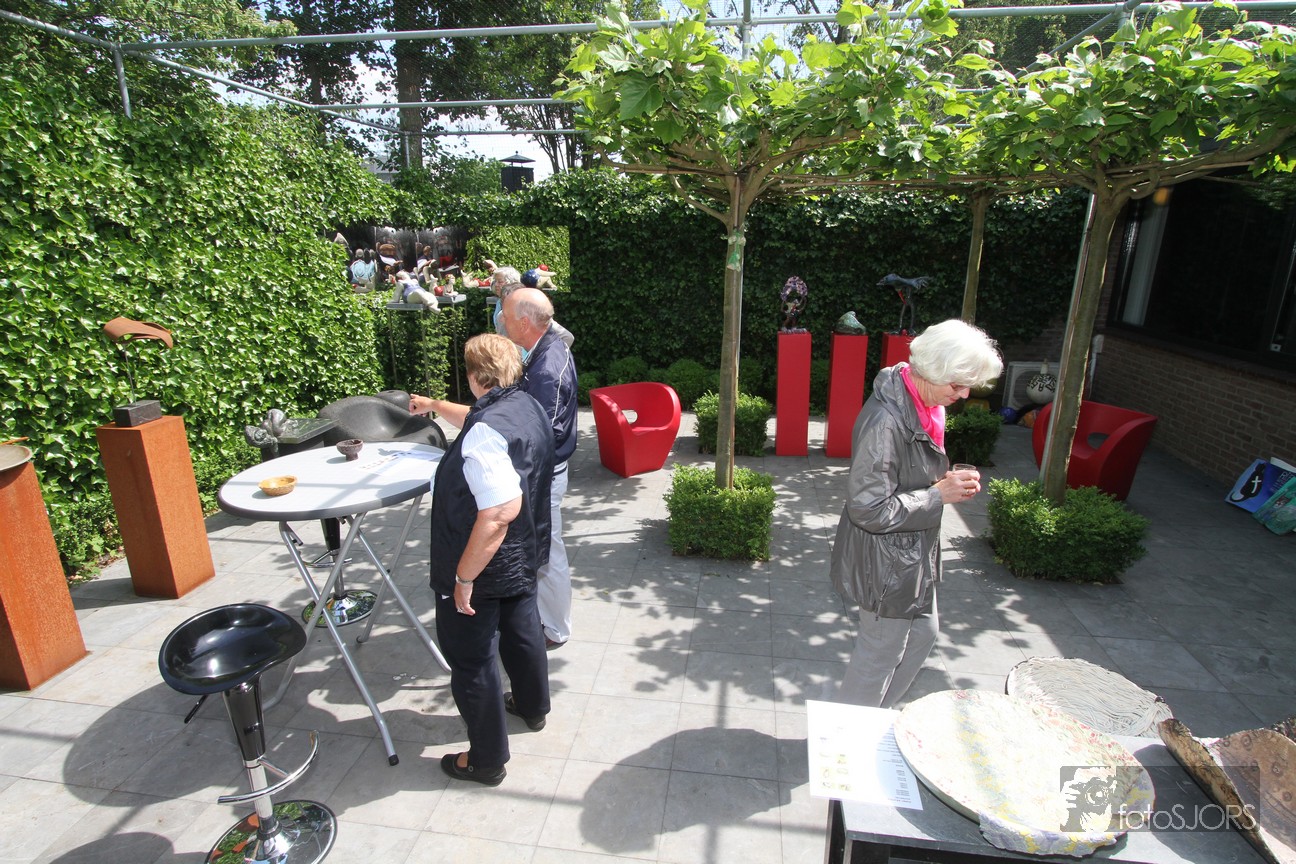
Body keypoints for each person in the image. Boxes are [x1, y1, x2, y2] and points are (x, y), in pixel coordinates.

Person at [829, 319, 1002, 709]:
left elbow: (904, 476)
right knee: (880, 654)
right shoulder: (886, 422)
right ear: (932, 371)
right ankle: (850, 734)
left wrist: (942, 482)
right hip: (886, 562)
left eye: (969, 385)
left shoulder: (924, 406)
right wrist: (938, 495)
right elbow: (868, 507)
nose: (964, 393)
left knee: (923, 634)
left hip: (910, 554)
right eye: (957, 384)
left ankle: (875, 718)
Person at [411, 286, 578, 647]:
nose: (499, 319)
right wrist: (437, 405)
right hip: (536, 475)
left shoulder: (546, 369)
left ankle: (553, 628)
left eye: (504, 314)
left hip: (540, 477)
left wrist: (463, 578)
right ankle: (529, 622)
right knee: (532, 548)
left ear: (523, 322)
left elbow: (527, 434)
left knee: (543, 551)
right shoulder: (541, 350)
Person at [430, 333, 555, 786]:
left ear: (473, 374)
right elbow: (480, 421)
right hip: (524, 552)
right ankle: (532, 706)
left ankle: (486, 759)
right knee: (523, 632)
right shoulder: (527, 405)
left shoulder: (486, 430)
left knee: (471, 659)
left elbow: (500, 510)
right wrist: (435, 406)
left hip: (486, 564)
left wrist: (463, 578)